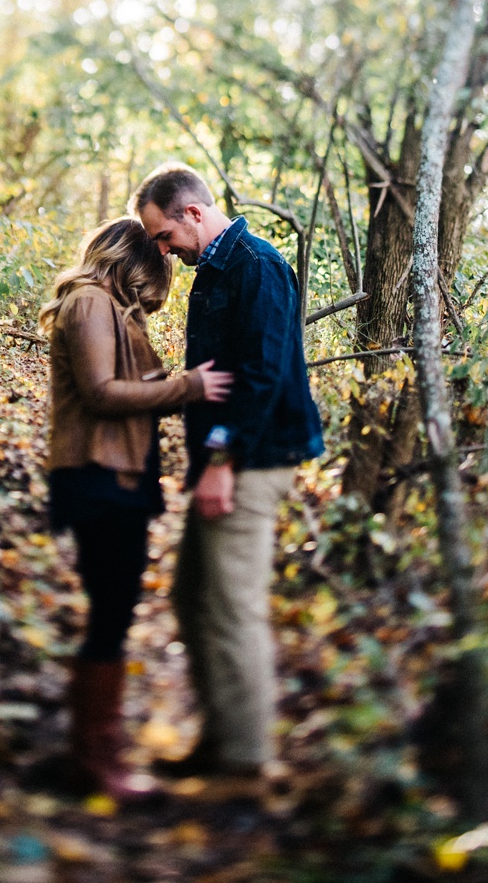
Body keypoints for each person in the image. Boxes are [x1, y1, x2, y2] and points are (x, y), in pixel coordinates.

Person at [132, 163, 323, 782]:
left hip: (252, 460)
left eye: (163, 235)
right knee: (192, 595)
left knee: (232, 605)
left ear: (192, 213)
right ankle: (222, 738)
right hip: (227, 458)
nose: (161, 249)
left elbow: (261, 376)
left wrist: (221, 460)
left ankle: (244, 760)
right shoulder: (215, 268)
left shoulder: (255, 266)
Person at [40, 217, 232, 802]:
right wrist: (188, 388)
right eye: (153, 279)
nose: (152, 297)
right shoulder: (91, 303)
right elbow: (102, 392)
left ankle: (92, 749)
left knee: (113, 611)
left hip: (117, 475)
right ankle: (95, 759)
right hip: (98, 477)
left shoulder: (107, 309)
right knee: (112, 614)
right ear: (132, 264)